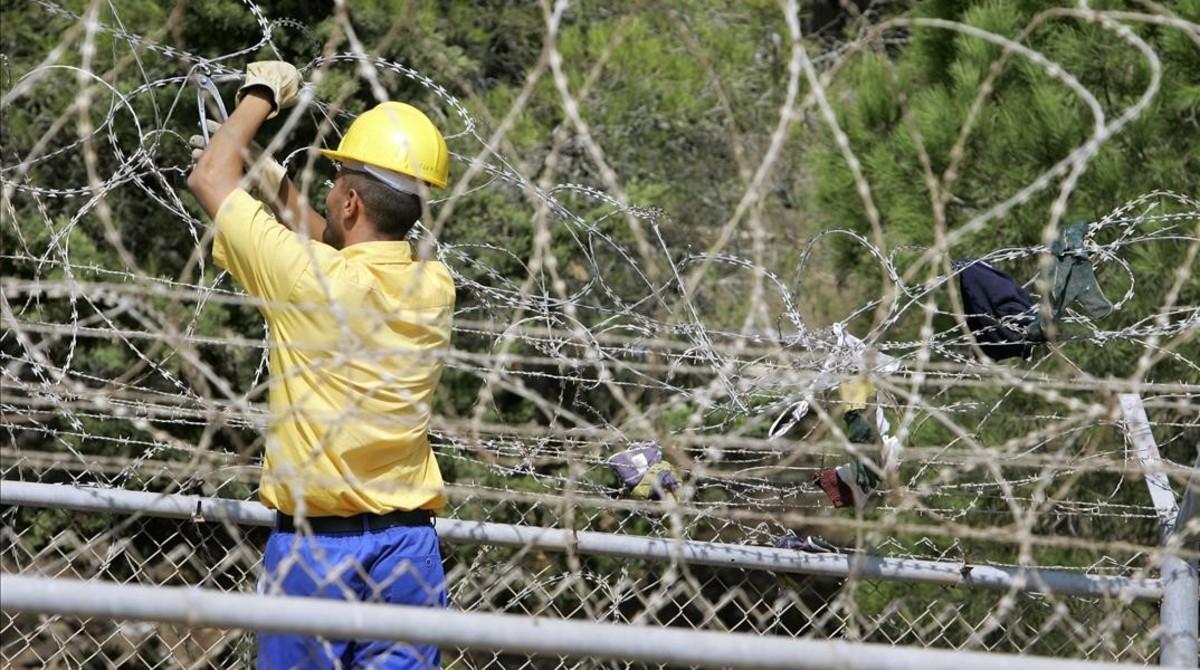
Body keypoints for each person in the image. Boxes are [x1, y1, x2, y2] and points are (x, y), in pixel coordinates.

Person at [187, 61, 454, 669]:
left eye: (335, 180)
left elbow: (208, 177)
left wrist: (259, 95)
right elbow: (339, 245)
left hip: (316, 554)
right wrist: (269, 178)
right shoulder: (434, 286)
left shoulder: (309, 282)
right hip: (410, 549)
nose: (327, 190)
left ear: (352, 201)